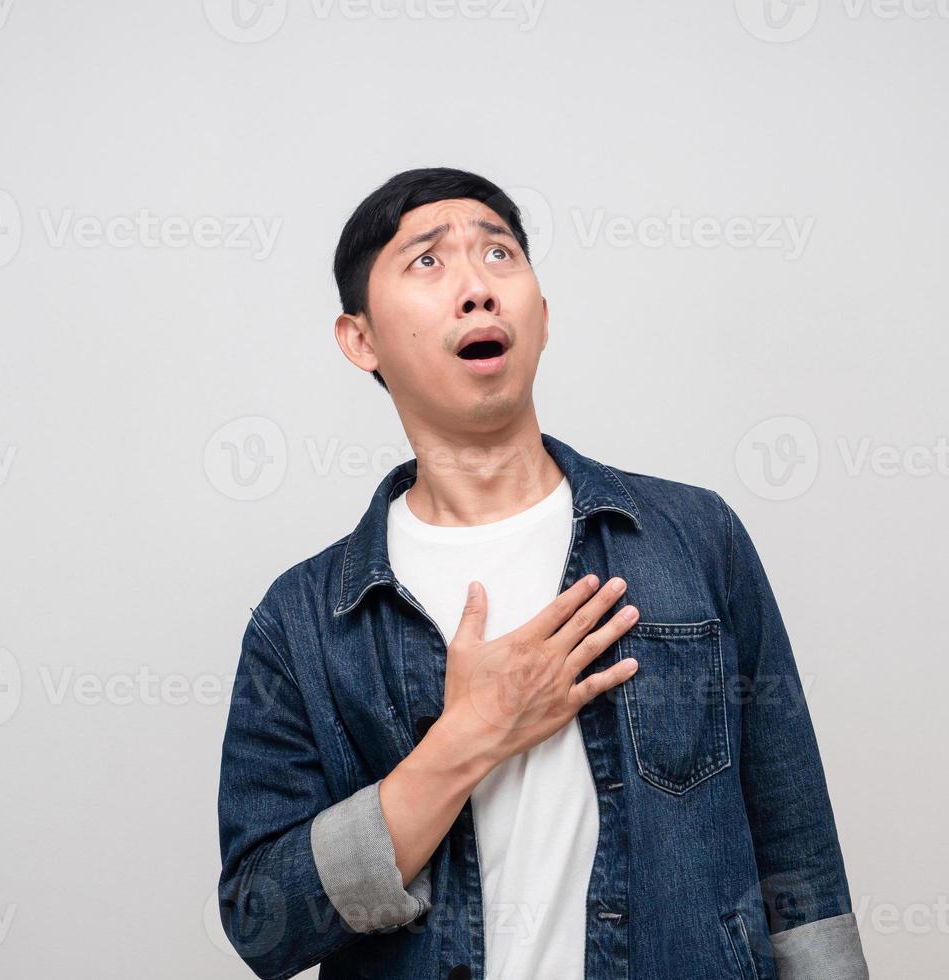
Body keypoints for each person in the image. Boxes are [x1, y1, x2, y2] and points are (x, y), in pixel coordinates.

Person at [217, 167, 869, 979]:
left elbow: (795, 846)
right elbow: (262, 922)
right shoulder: (303, 621)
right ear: (361, 340)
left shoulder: (694, 539)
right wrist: (464, 740)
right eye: (426, 261)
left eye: (500, 254)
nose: (477, 288)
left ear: (543, 318)